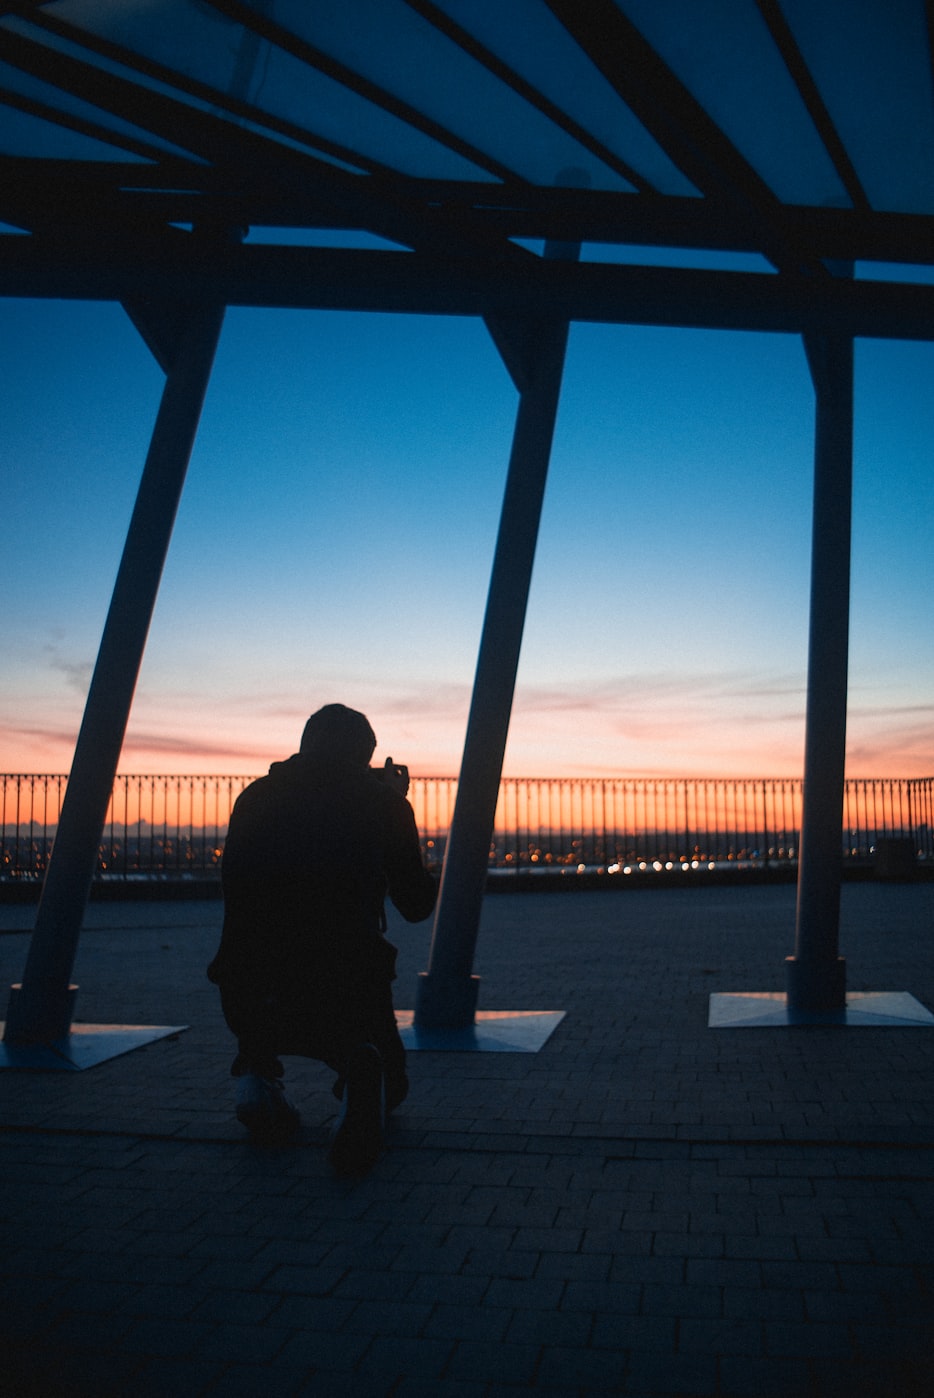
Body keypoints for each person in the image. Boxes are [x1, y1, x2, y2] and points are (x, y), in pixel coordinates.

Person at [207, 704, 437, 1175]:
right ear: (364, 756)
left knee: (267, 1021)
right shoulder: (381, 804)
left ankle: (255, 1079)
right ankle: (360, 1073)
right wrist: (396, 805)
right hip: (347, 982)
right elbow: (416, 906)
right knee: (388, 1084)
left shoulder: (254, 797)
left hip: (248, 985)